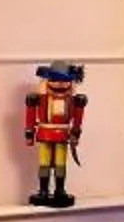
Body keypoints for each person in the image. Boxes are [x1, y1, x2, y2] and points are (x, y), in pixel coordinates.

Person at [22, 60, 87, 208]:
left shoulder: (74, 99)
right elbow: (30, 114)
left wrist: (76, 133)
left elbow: (77, 118)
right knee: (44, 163)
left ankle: (59, 190)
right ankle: (43, 190)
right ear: (47, 81)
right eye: (55, 79)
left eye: (64, 81)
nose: (59, 84)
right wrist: (29, 132)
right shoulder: (39, 97)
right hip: (45, 133)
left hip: (63, 134)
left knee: (60, 164)